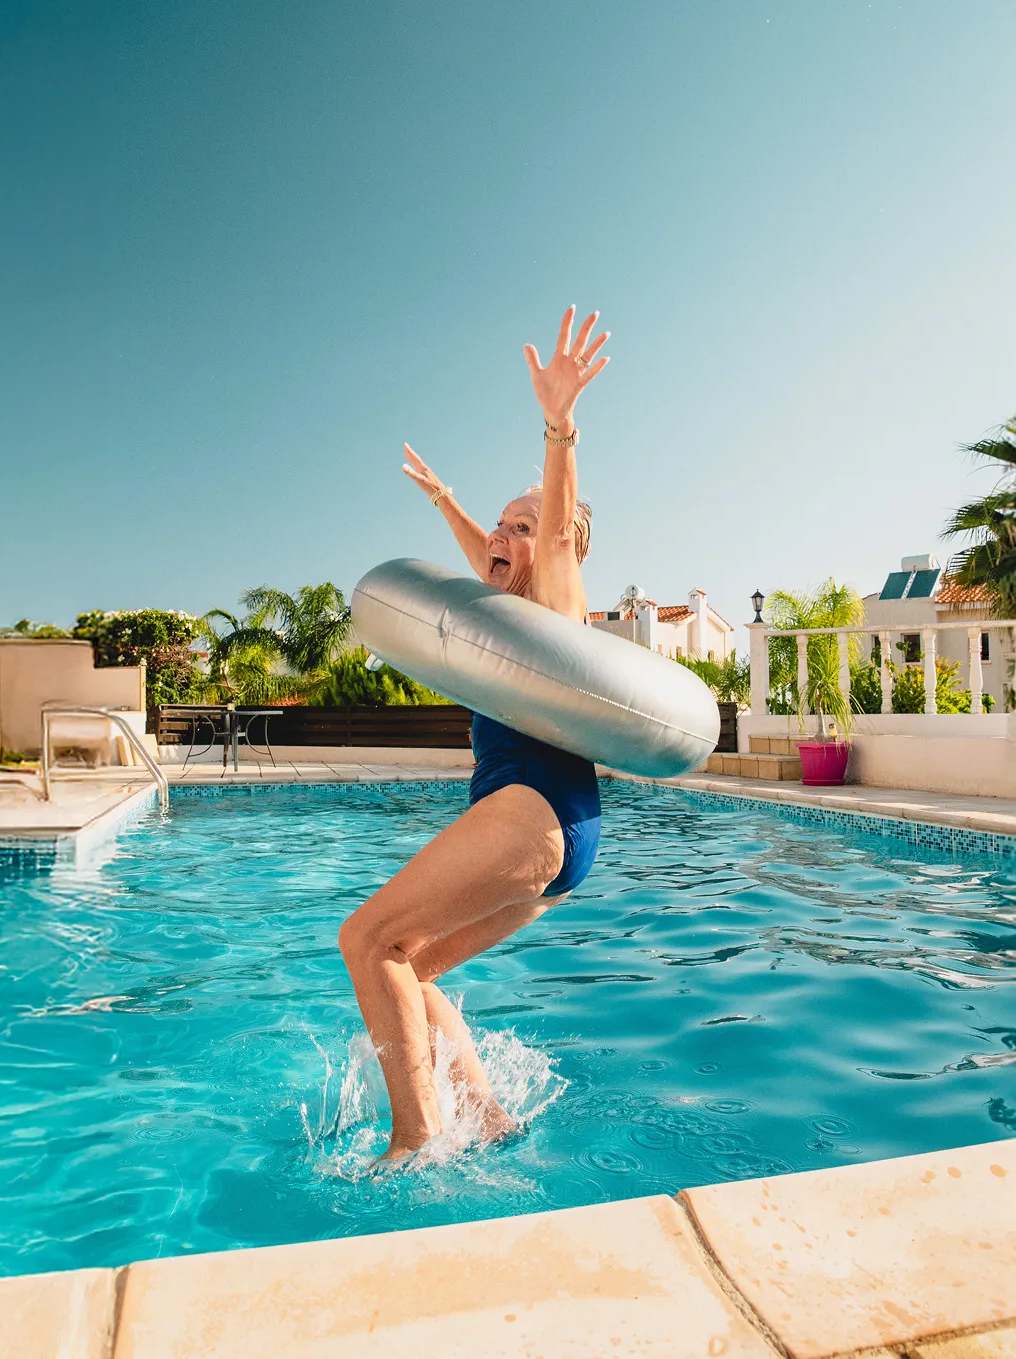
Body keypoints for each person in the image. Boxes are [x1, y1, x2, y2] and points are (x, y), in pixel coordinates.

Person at [337, 306, 610, 1162]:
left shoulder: (558, 604)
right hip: (551, 826)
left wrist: (558, 427)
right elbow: (492, 551)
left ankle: (413, 1143)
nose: (504, 535)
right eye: (502, 523)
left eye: (520, 526)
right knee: (410, 967)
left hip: (537, 808)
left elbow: (555, 536)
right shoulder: (510, 609)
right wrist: (452, 503)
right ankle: (488, 1117)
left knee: (367, 938)